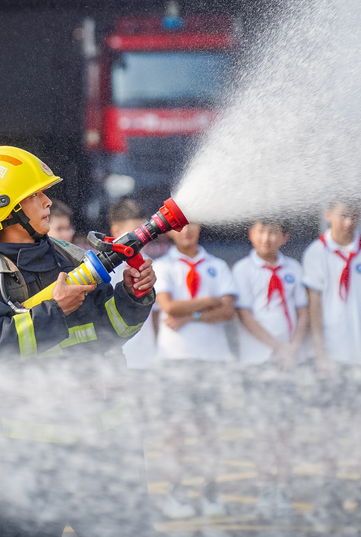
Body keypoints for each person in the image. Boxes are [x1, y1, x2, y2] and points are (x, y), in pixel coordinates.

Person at [0, 146, 158, 537]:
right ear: (4, 209)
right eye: (34, 195)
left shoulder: (71, 258)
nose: (47, 201)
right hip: (29, 463)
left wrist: (133, 297)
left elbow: (110, 333)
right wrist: (55, 311)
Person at [302, 197, 361, 523]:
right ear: (328, 215)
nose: (348, 223)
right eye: (342, 216)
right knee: (329, 430)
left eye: (354, 216)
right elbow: (313, 304)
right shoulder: (316, 252)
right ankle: (330, 496)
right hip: (331, 358)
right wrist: (321, 354)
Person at [153, 220, 236, 520]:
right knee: (175, 432)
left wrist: (194, 315)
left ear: (201, 227)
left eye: (192, 225)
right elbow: (168, 308)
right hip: (175, 361)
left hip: (212, 361)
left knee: (209, 432)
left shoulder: (217, 266)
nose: (186, 231)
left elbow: (228, 311)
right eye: (180, 226)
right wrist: (209, 301)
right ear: (170, 231)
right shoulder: (162, 266)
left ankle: (210, 491)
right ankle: (175, 492)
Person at [232, 219, 308, 518]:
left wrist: (293, 349)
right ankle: (265, 489)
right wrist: (278, 348)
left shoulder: (294, 270)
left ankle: (284, 489)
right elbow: (246, 316)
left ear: (285, 236)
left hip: (289, 363)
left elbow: (303, 312)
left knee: (286, 430)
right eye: (261, 231)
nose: (267, 238)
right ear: (251, 234)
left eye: (274, 232)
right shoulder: (243, 270)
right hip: (258, 361)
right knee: (263, 430)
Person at [107, 199, 160, 370]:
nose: (141, 239)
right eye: (134, 234)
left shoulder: (152, 268)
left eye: (144, 233)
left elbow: (157, 316)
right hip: (117, 362)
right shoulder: (105, 272)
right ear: (116, 231)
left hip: (148, 359)